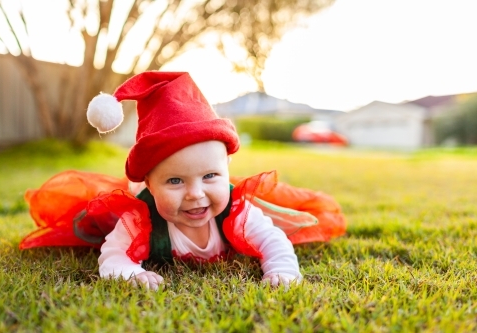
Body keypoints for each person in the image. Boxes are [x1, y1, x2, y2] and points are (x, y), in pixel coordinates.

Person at [19, 71, 347, 290]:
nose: (195, 194)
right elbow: (113, 254)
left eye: (210, 176)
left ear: (226, 169)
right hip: (141, 207)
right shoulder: (140, 220)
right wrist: (132, 272)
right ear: (150, 183)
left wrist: (281, 271)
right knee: (103, 222)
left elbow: (273, 241)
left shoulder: (237, 210)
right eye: (175, 181)